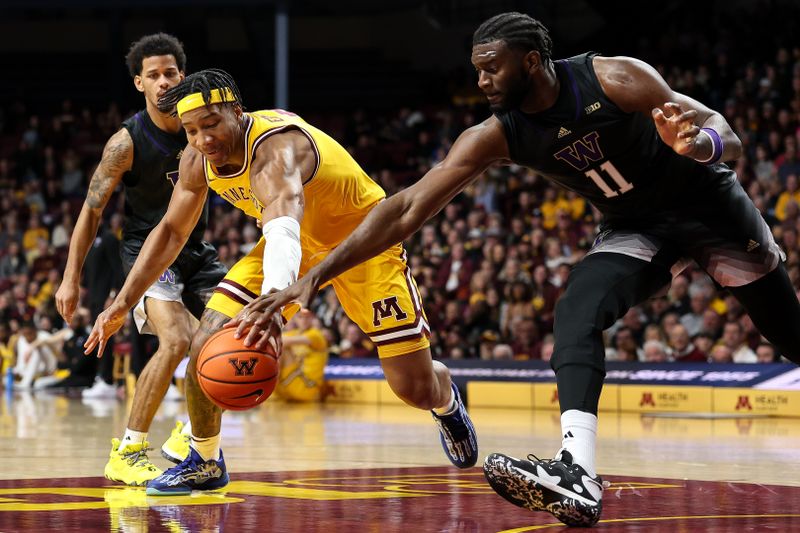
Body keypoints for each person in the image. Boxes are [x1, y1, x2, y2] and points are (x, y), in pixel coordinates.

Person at [241, 12, 800, 527]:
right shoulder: (497, 133)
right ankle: (577, 471)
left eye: (491, 68)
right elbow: (406, 208)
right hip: (636, 226)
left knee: (788, 334)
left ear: (531, 61)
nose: (481, 80)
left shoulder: (613, 78)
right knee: (577, 310)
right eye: (476, 69)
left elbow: (728, 133)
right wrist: (316, 273)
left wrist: (698, 144)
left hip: (710, 210)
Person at [84, 68, 478, 496]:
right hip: (293, 242)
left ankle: (446, 402)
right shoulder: (196, 158)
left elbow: (284, 227)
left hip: (364, 243)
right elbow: (171, 232)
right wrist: (124, 301)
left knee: (413, 388)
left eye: (212, 124)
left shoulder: (276, 149)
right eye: (192, 130)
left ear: (237, 111)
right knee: (205, 342)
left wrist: (274, 297)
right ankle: (206, 460)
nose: (203, 139)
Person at [55, 34, 227, 487]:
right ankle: (128, 450)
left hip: (197, 252)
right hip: (147, 255)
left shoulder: (204, 128)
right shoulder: (125, 143)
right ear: (139, 83)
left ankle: (189, 436)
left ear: (183, 77)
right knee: (176, 341)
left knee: (234, 338)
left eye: (171, 72)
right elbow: (92, 209)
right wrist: (70, 278)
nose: (164, 81)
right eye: (153, 74)